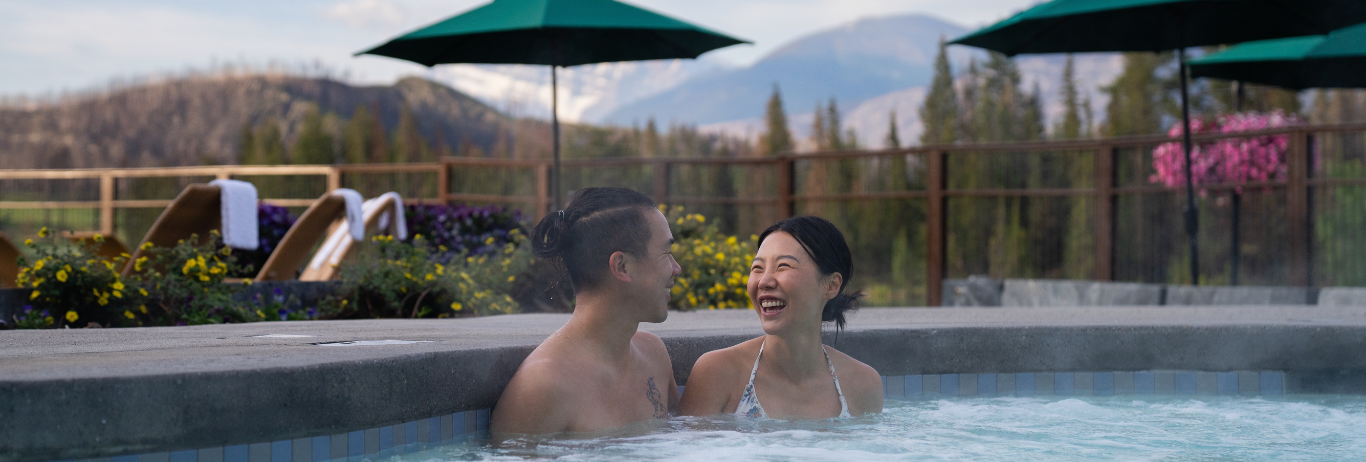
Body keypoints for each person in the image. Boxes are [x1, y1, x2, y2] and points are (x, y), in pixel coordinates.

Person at [491, 187, 682, 438]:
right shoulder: (542, 386)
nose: (676, 269)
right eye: (666, 253)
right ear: (622, 267)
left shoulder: (653, 355)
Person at [679, 216, 883, 418]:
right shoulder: (718, 373)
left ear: (831, 285)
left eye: (783, 266)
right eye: (757, 268)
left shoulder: (862, 384)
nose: (763, 281)